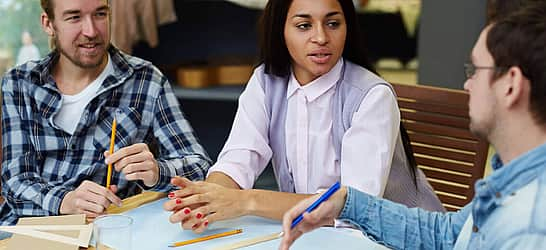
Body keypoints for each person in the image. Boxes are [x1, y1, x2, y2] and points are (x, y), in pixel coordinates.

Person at [280, 2, 546, 249]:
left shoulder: (528, 229)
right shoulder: (513, 180)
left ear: (511, 85)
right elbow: (448, 234)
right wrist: (348, 204)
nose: (468, 84)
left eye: (476, 71)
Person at [164, 0, 443, 234]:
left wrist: (245, 201)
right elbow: (238, 159)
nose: (321, 37)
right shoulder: (266, 82)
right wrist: (206, 199)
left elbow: (354, 209)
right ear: (280, 30)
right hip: (317, 234)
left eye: (333, 23)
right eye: (304, 25)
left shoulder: (372, 96)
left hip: (397, 238)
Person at [0, 0, 211, 226]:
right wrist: (65, 201)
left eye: (100, 14)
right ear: (48, 24)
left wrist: (158, 171)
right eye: (74, 17)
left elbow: (200, 167)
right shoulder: (19, 83)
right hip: (27, 230)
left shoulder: (146, 80)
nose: (91, 31)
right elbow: (15, 180)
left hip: (108, 230)